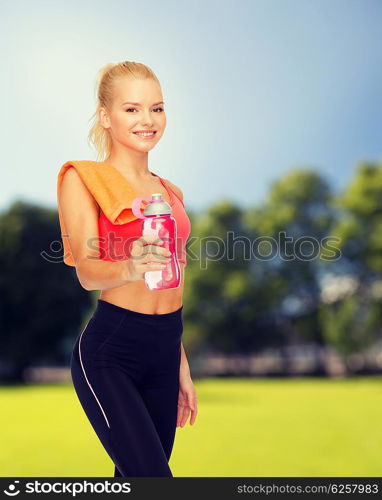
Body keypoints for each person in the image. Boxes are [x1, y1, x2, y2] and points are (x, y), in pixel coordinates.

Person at [57, 61, 198, 477]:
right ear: (106, 116)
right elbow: (86, 270)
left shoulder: (170, 191)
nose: (148, 120)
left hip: (166, 346)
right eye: (132, 108)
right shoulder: (84, 178)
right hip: (112, 350)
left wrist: (180, 364)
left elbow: (173, 281)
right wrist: (130, 266)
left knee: (133, 481)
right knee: (152, 479)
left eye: (157, 108)